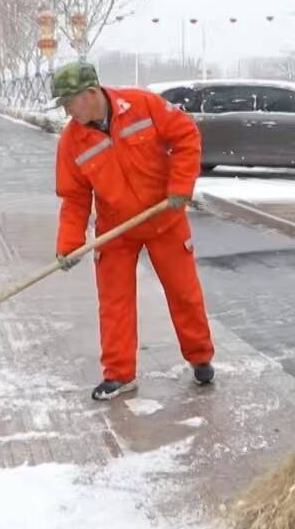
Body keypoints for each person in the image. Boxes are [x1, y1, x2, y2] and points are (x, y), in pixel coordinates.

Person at [51, 61, 215, 401]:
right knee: (114, 302)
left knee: (184, 293)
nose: (66, 110)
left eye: (69, 101)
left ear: (91, 93)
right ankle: (119, 374)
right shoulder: (72, 141)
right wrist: (69, 243)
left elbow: (186, 136)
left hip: (164, 218)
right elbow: (74, 197)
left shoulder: (143, 105)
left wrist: (181, 185)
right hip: (116, 228)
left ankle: (200, 357)